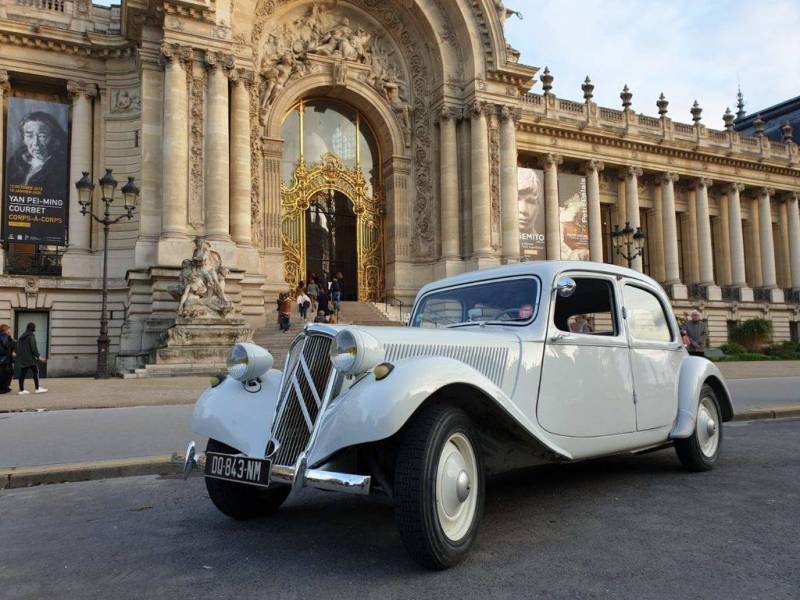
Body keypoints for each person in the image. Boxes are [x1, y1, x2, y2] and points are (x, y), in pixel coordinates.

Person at [6, 111, 68, 199]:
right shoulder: (15, 162)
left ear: (53, 138)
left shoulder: (60, 167)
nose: (36, 143)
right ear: (23, 139)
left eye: (42, 136)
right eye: (29, 136)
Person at [16, 322, 47, 394]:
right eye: (34, 327)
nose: (35, 328)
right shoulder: (31, 336)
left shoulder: (22, 336)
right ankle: (37, 388)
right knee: (36, 371)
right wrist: (39, 357)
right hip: (30, 358)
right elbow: (33, 348)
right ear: (32, 328)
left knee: (22, 373)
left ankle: (21, 390)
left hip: (23, 358)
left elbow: (18, 347)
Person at [0, 324, 15, 394]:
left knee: (9, 372)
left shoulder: (7, 337)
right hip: (4, 359)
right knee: (4, 374)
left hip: (6, 358)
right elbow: (7, 346)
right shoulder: (4, 337)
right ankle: (3, 388)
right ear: (5, 330)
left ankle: (5, 387)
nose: (9, 331)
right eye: (8, 329)